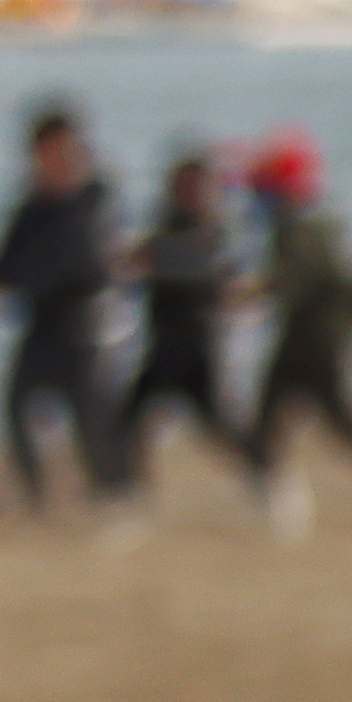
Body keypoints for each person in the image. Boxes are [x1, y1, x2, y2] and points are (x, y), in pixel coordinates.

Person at [0, 100, 130, 518]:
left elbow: (79, 262)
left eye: (64, 148)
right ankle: (37, 495)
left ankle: (115, 496)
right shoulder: (30, 206)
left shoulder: (94, 198)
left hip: (85, 328)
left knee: (92, 419)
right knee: (13, 408)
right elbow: (8, 260)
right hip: (41, 328)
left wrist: (9, 280)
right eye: (47, 150)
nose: (56, 158)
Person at [238, 129, 352, 532]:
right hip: (314, 337)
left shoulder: (298, 226)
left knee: (303, 414)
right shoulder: (313, 221)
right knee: (320, 414)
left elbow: (299, 278)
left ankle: (283, 495)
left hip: (315, 340)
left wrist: (257, 289)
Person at [119, 140, 261, 504]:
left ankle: (265, 476)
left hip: (200, 348)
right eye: (184, 186)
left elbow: (231, 282)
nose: (191, 194)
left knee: (219, 425)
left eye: (198, 186)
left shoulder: (217, 232)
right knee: (130, 420)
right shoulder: (165, 228)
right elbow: (132, 270)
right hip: (162, 346)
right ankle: (135, 492)